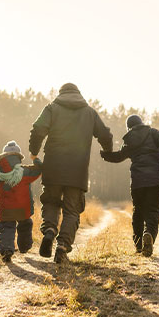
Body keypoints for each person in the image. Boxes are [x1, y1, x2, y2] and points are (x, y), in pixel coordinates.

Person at [29, 83, 113, 263]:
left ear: (60, 93)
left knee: (51, 202)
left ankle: (50, 230)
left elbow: (38, 129)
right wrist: (107, 152)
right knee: (72, 210)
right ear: (78, 94)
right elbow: (105, 135)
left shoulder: (52, 108)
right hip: (77, 170)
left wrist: (34, 151)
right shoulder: (89, 112)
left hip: (53, 166)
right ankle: (62, 246)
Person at [100, 114, 159, 257]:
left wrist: (105, 155)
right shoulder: (152, 132)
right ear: (141, 123)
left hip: (138, 182)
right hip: (155, 179)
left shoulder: (129, 139)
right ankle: (149, 234)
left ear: (129, 127)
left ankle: (139, 244)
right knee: (153, 211)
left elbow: (118, 157)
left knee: (138, 212)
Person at [0, 140, 43, 263]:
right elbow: (38, 170)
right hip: (23, 207)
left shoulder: (0, 176)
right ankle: (24, 247)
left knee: (6, 228)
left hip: (6, 209)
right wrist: (35, 159)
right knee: (25, 224)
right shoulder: (24, 172)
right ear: (18, 157)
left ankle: (6, 250)